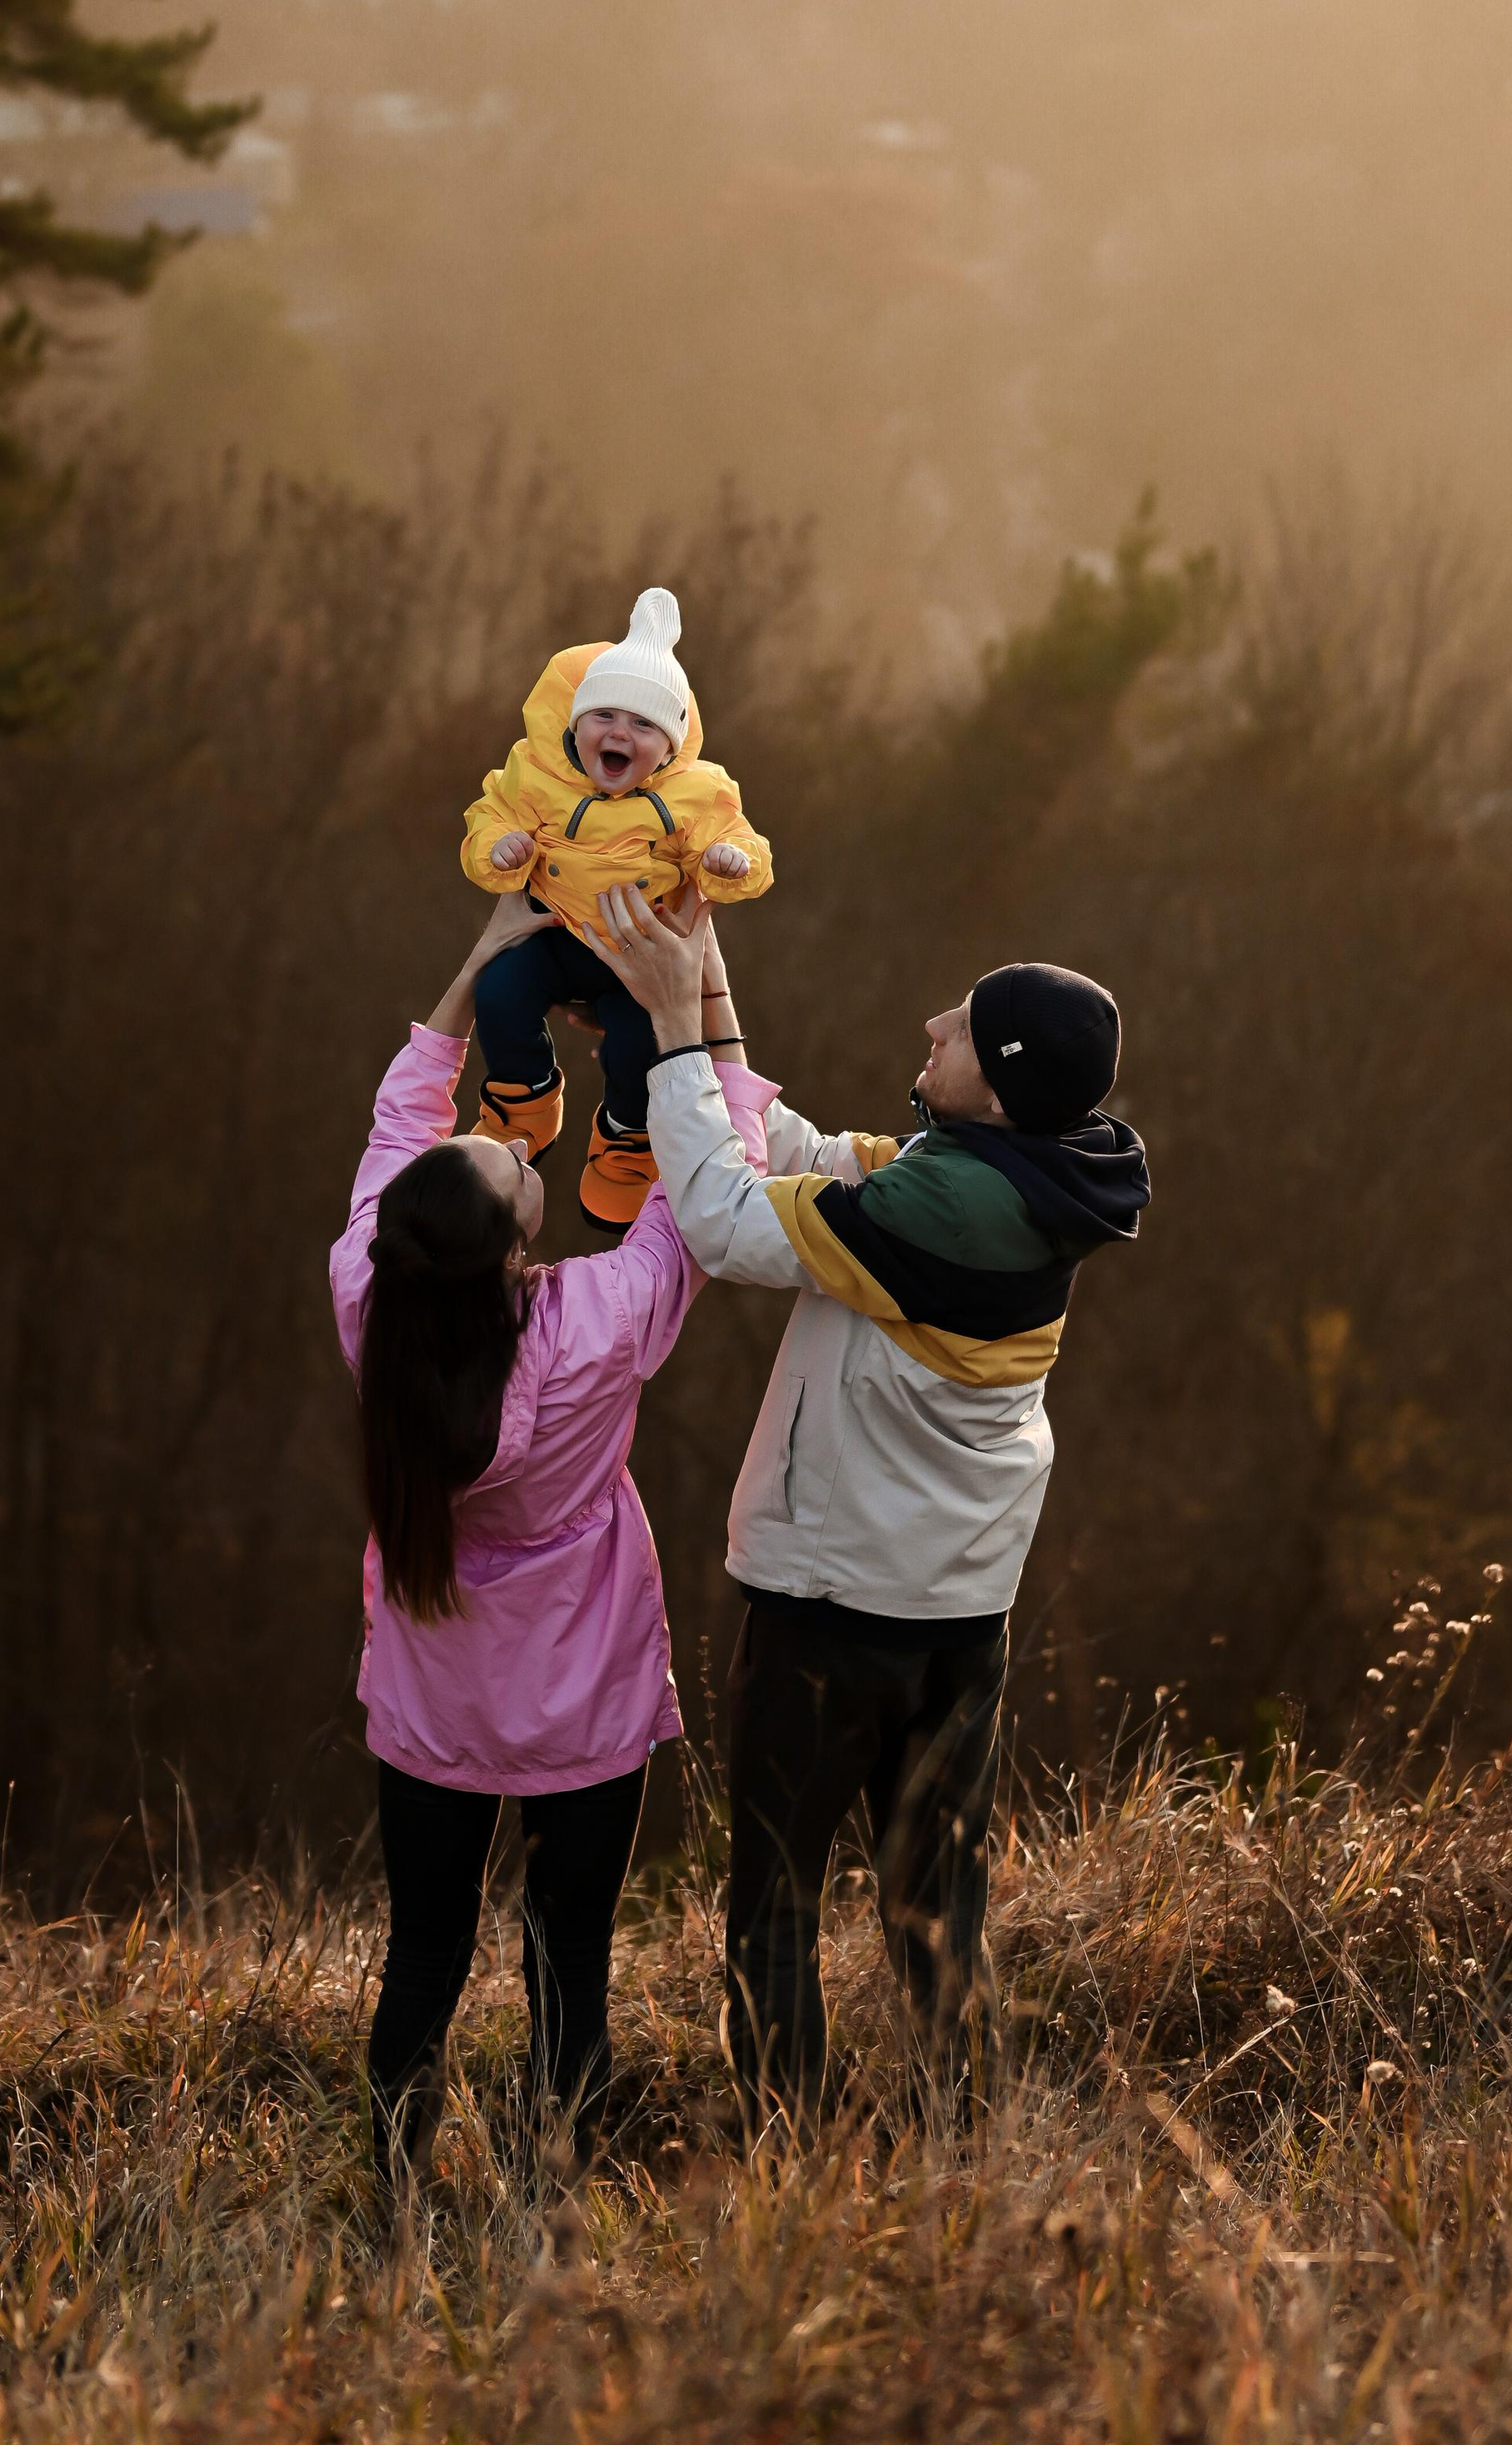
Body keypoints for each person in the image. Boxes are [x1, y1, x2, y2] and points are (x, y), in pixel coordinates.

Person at [584, 888, 1150, 2135]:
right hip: (957, 1614)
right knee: (936, 1905)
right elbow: (797, 1154)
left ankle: (788, 2156)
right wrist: (706, 984)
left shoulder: (943, 1207)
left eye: (965, 1028)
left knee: (775, 1901)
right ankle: (968, 2148)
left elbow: (728, 1220)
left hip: (834, 1611)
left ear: (998, 1087)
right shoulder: (1020, 1176)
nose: (933, 1023)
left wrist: (670, 1039)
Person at [329, 889, 770, 2198]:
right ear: (516, 1235)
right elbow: (713, 1184)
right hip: (588, 1699)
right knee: (570, 1960)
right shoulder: (601, 1321)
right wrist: (700, 993)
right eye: (514, 1168)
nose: (516, 1149)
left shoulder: (372, 1303)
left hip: (434, 1699)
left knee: (424, 1956)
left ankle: (394, 2200)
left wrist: (475, 969)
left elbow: (400, 1130)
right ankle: (548, 2202)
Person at [460, 586, 772, 1229]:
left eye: (644, 725)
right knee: (498, 994)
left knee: (641, 1047)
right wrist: (500, 846)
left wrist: (728, 861)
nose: (619, 733)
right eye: (602, 715)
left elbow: (736, 838)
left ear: (671, 747)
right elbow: (491, 813)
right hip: (553, 931)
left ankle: (627, 1139)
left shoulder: (693, 793)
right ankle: (524, 1100)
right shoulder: (537, 772)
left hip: (640, 953)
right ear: (575, 724)